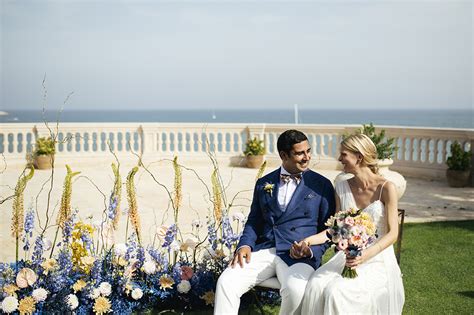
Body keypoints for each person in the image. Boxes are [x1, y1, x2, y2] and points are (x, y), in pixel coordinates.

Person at [214, 129, 336, 315]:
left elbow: (328, 231)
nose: (306, 157)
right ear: (283, 155)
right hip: (265, 250)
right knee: (226, 282)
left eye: (308, 151)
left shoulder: (322, 185)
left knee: (296, 290)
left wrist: (311, 250)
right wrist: (244, 245)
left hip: (298, 256)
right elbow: (254, 220)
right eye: (299, 153)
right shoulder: (264, 183)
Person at [300, 133, 405, 314]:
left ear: (359, 156)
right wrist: (307, 241)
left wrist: (365, 255)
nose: (339, 158)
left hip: (377, 259)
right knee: (316, 284)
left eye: (343, 154)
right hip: (347, 256)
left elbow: (393, 233)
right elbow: (334, 229)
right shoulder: (341, 185)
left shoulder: (387, 188)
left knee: (336, 291)